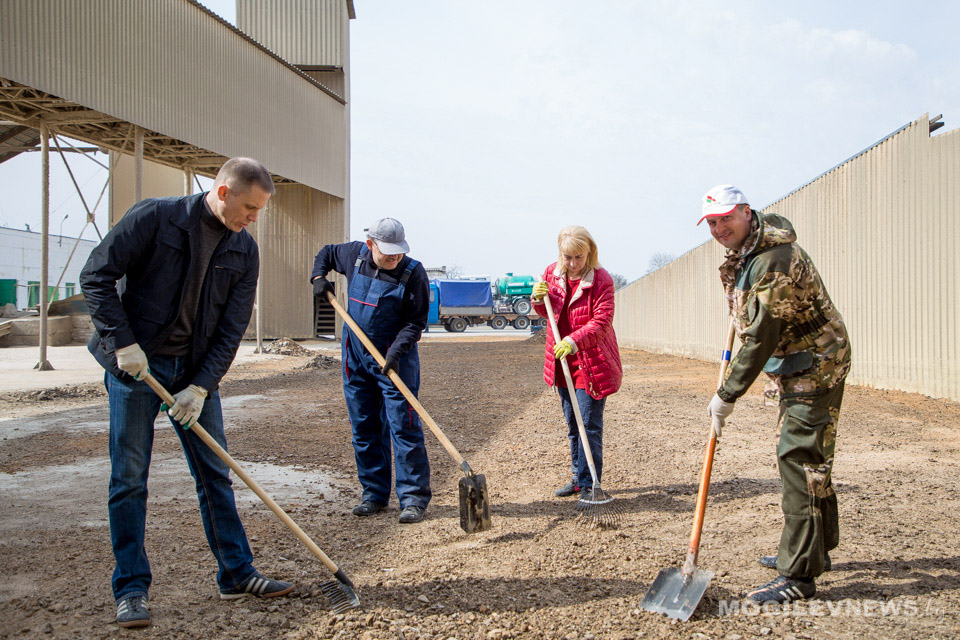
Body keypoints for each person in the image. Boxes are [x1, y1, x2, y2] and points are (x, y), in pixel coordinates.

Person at [80, 158, 293, 629]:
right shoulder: (155, 217)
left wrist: (201, 386)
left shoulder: (244, 251)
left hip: (193, 372)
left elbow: (231, 328)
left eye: (259, 211)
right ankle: (131, 589)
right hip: (136, 367)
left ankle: (235, 574)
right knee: (130, 478)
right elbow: (95, 276)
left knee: (214, 471)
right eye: (250, 207)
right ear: (223, 193)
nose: (253, 219)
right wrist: (123, 342)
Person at [699, 184, 851, 604]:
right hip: (798, 365)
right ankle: (816, 548)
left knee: (799, 457)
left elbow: (762, 335)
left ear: (747, 212)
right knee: (809, 455)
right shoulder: (752, 251)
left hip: (816, 365)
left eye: (725, 218)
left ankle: (799, 574)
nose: (718, 228)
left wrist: (727, 395)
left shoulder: (773, 261)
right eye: (711, 222)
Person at [310, 218, 432, 524]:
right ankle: (374, 495)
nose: (393, 258)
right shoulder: (353, 255)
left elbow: (415, 322)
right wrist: (317, 278)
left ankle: (413, 498)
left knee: (403, 426)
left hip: (395, 357)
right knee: (364, 426)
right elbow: (325, 253)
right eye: (386, 253)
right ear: (370, 245)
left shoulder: (413, 272)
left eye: (397, 253)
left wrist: (395, 353)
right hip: (355, 355)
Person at [531, 225, 622, 498]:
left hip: (590, 362)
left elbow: (602, 322)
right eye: (567, 257)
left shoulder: (601, 280)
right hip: (562, 363)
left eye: (578, 257)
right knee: (573, 424)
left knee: (588, 425)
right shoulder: (551, 273)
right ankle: (577, 477)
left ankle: (591, 484)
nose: (572, 264)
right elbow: (546, 312)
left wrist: (573, 341)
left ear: (589, 252)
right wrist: (536, 298)